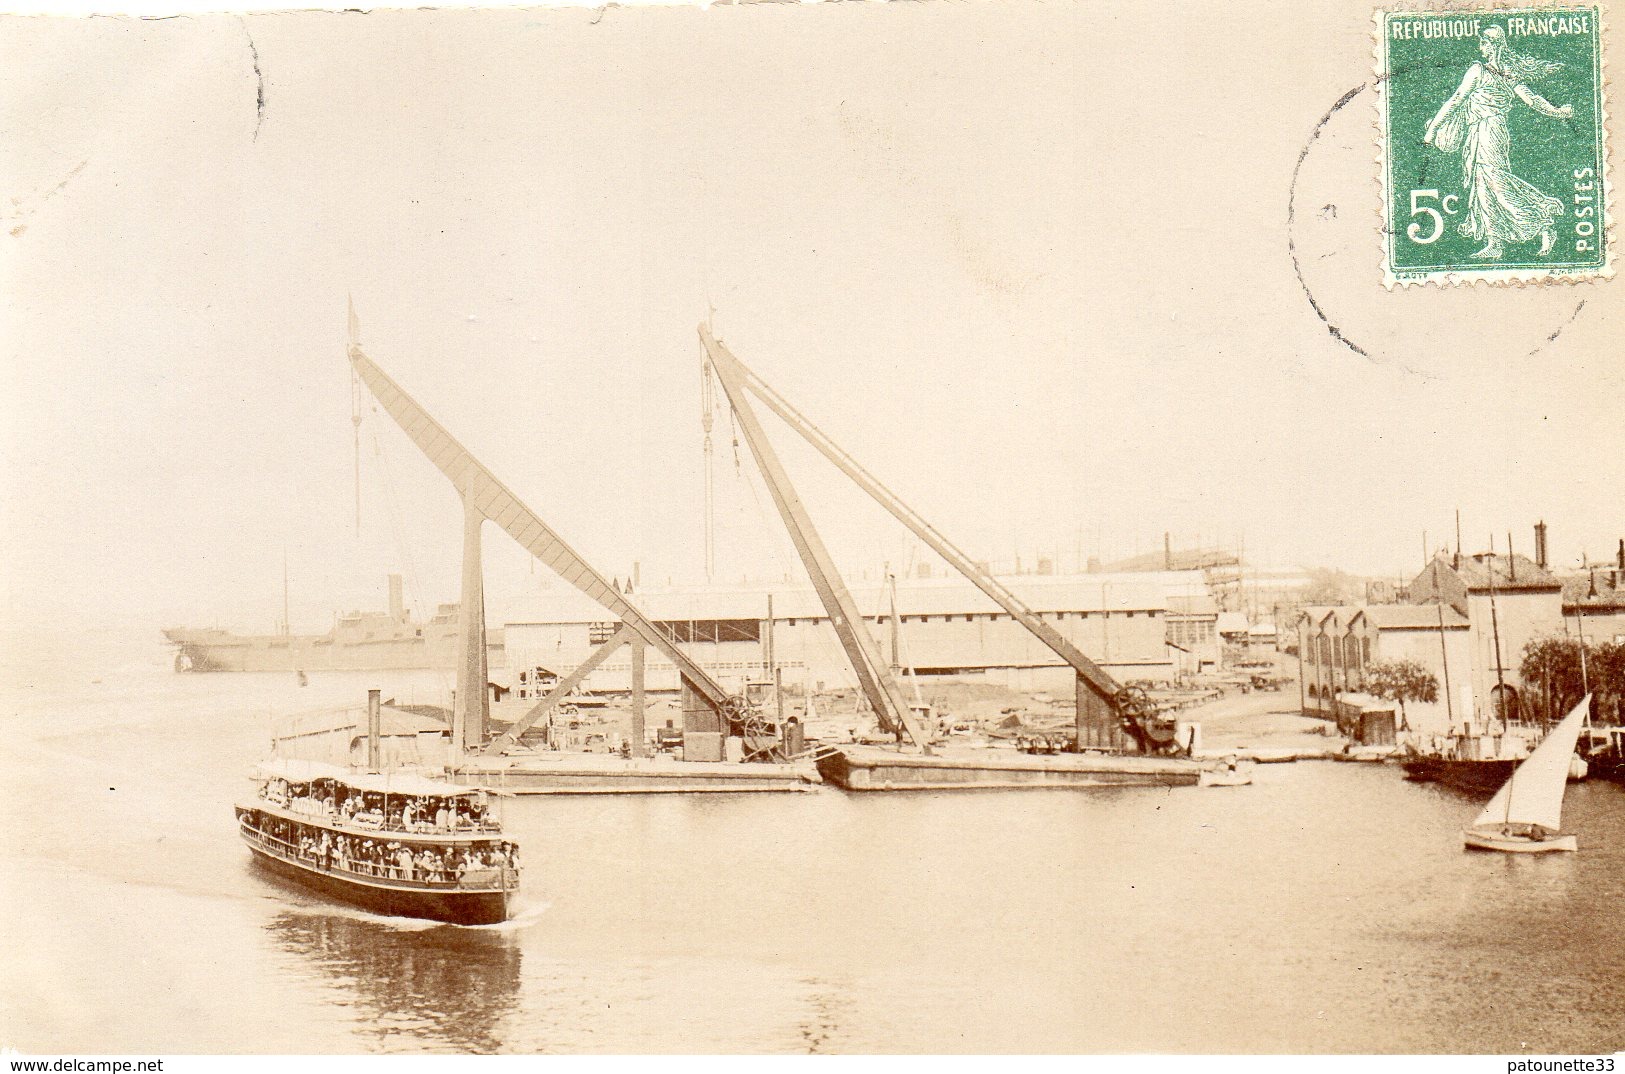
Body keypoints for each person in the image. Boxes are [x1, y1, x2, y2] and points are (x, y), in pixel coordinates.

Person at [1423, 25, 1573, 259]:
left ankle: (1543, 219)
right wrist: (1558, 112)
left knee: (1496, 183)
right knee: (1484, 187)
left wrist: (1432, 131)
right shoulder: (1508, 73)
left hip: (1487, 131)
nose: (1480, 47)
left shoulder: (1478, 70)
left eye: (1483, 43)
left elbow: (1456, 100)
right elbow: (1532, 100)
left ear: (1492, 45)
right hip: (1487, 131)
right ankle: (1495, 242)